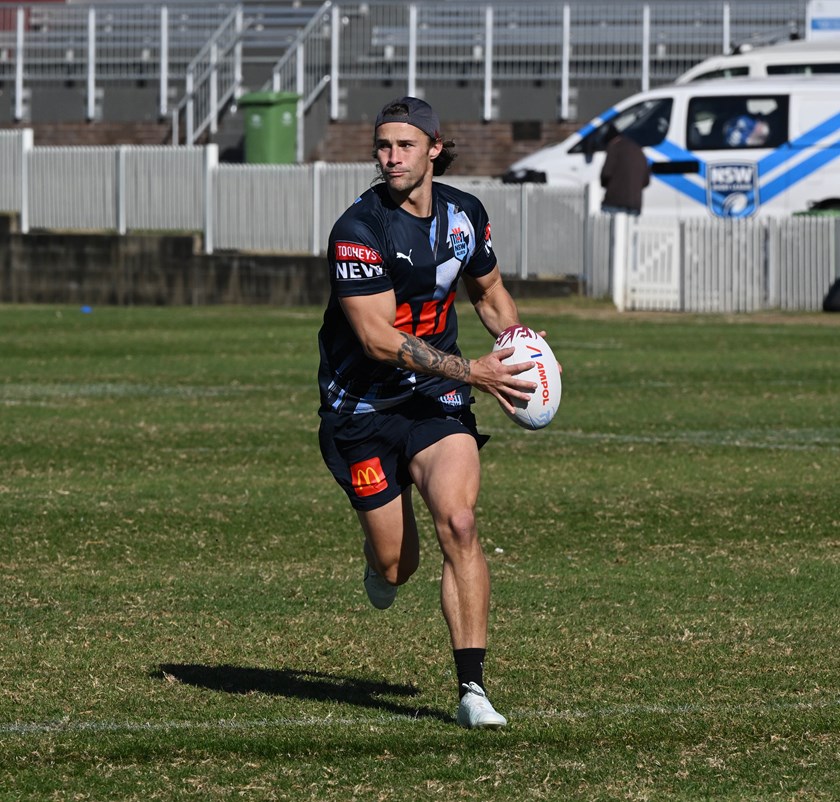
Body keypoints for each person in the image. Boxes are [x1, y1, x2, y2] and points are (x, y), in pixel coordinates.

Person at [317, 97, 538, 729]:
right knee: (397, 563)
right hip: (361, 405)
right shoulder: (359, 230)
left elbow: (489, 292)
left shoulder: (466, 216)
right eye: (383, 146)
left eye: (405, 146)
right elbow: (378, 340)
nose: (391, 158)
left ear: (435, 148)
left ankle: (472, 691)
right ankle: (379, 562)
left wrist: (515, 342)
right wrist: (475, 371)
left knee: (461, 523)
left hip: (434, 398)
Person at [599, 125, 651, 216]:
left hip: (614, 201)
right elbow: (646, 181)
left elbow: (606, 173)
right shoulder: (639, 150)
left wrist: (604, 183)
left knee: (607, 229)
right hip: (635, 203)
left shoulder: (614, 147)